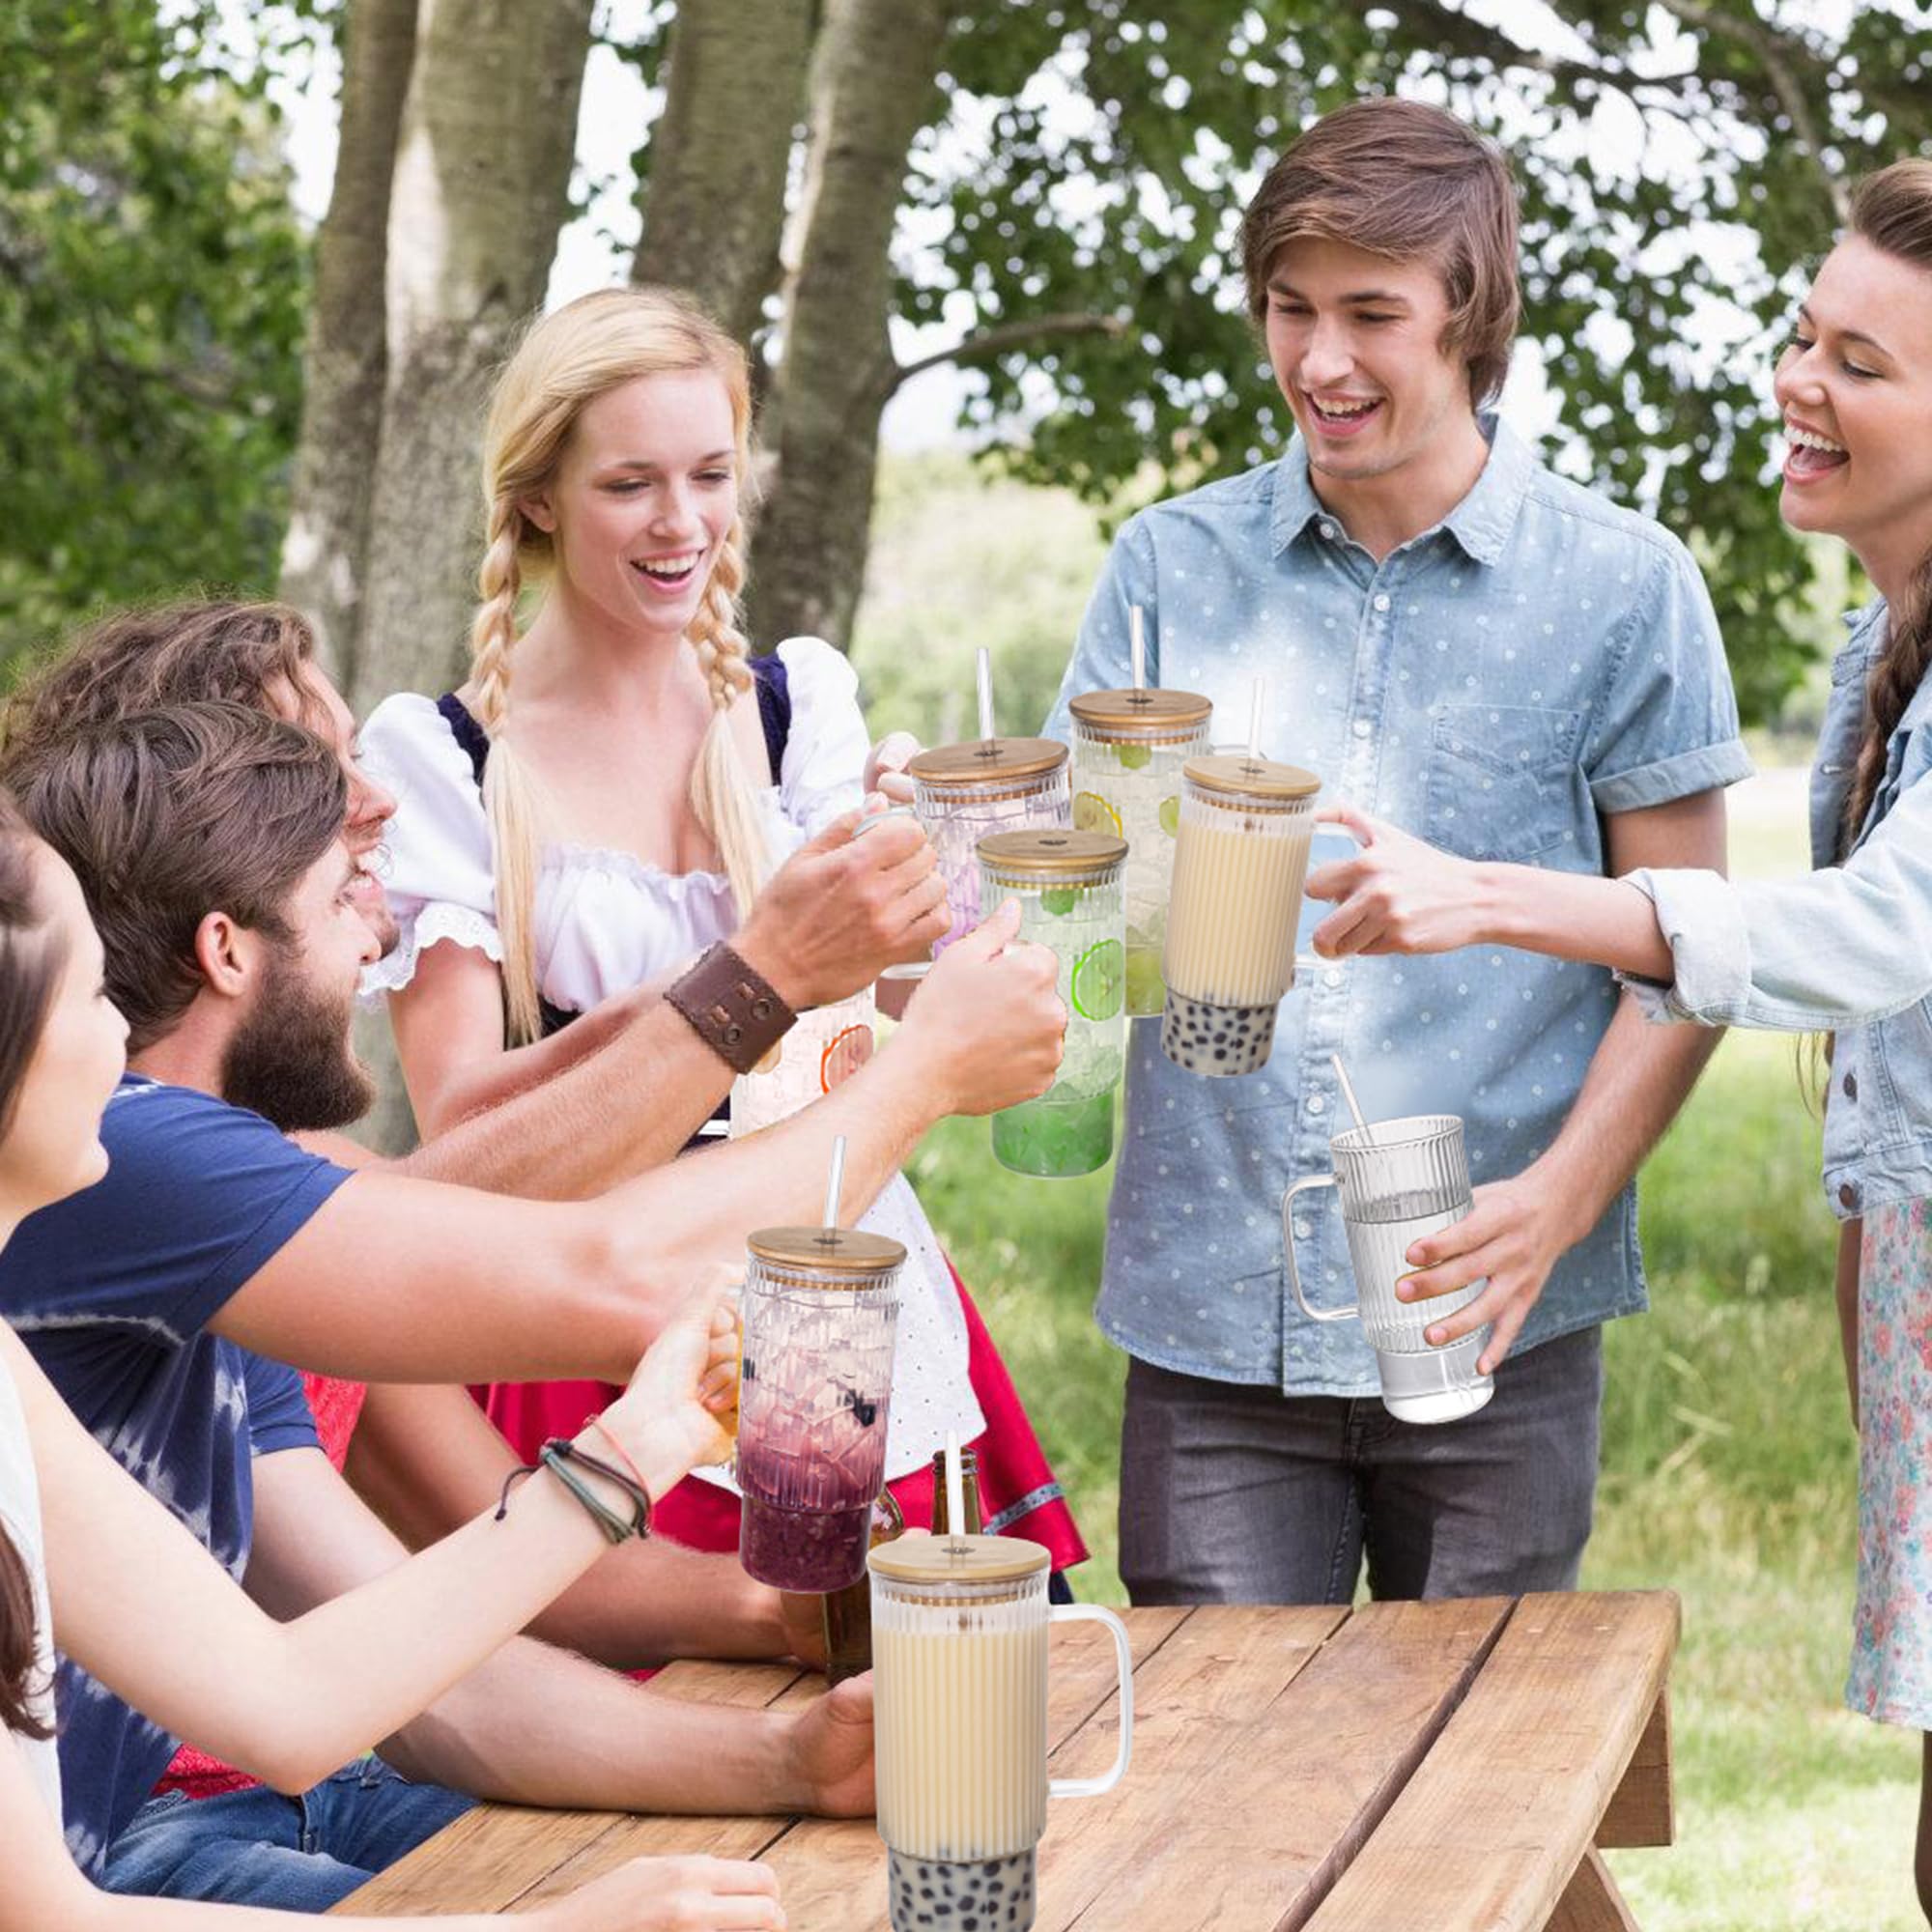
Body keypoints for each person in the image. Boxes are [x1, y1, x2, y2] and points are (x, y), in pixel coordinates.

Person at [0, 700, 989, 1903]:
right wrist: (922, 1068)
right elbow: (604, 1268)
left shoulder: (98, 1330)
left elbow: (336, 1692)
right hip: (128, 1857)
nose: (118, 1032)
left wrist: (788, 1760)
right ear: (226, 944)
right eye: (91, 994)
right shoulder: (146, 1158)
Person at [1301, 156, 1932, 1921]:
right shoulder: (1885, 642)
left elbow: (1871, 933)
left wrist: (1502, 896)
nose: (1803, 382)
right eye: (1808, 339)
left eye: (1867, 365)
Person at [1030, 97, 1750, 1606]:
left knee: (1486, 1807)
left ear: (1472, 319)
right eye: (1293, 311)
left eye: (1372, 315)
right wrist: (992, 858)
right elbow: (1094, 906)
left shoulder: (1626, 590)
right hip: (1213, 1316)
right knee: (1226, 1811)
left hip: (1495, 1314)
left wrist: (1560, 1203)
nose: (1321, 362)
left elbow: (1690, 948)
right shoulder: (1174, 567)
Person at [362, 286, 1087, 1573]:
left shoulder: (797, 706)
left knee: (912, 1710)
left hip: (834, 1276)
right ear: (536, 496)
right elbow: (465, 1144)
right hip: (594, 1307)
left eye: (709, 474)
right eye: (630, 483)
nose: (681, 521)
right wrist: (764, 959)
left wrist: (935, 886)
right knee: (649, 1716)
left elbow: (900, 1032)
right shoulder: (446, 759)